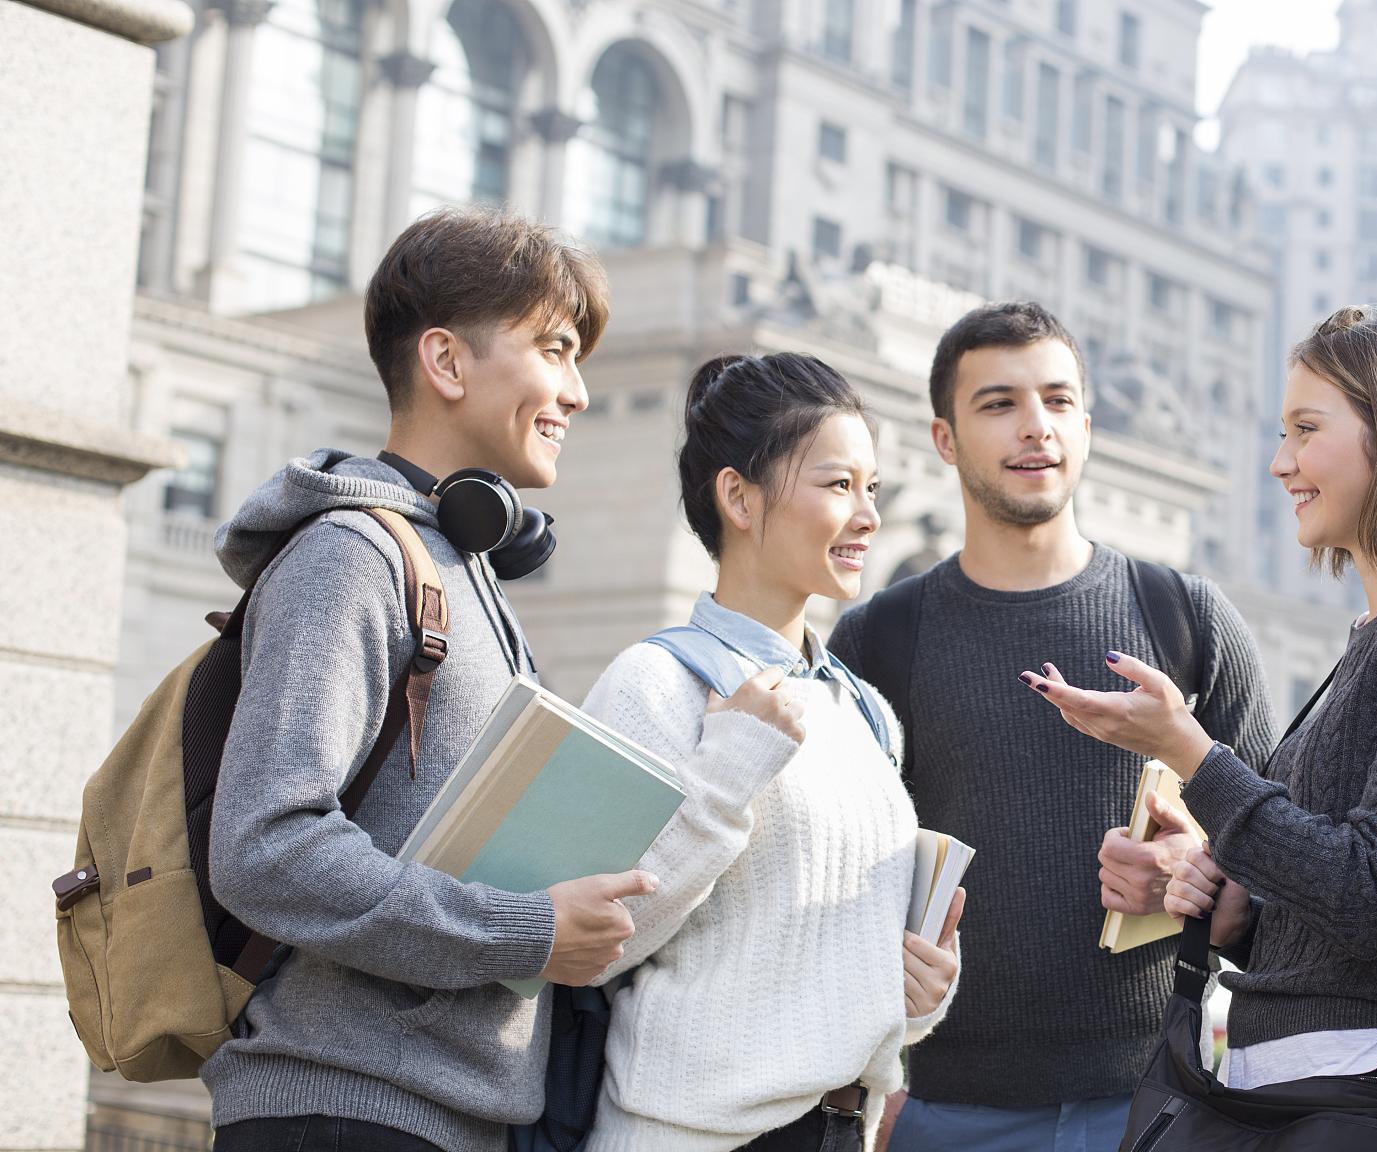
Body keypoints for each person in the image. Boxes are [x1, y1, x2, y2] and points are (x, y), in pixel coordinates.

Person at [1022, 306, 1377, 1149]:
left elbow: (1372, 896)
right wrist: (1237, 910)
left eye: (1306, 429)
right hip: (1283, 1088)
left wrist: (1189, 750)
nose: (1280, 462)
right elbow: (1340, 908)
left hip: (1368, 1091)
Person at [204, 207, 648, 1152]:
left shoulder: (465, 565)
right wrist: (523, 932)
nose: (575, 392)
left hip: (442, 1119)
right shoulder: (352, 556)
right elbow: (267, 847)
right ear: (446, 362)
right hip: (343, 1113)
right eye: (556, 350)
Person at [826, 302, 1277, 1152]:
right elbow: (840, 878)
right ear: (945, 438)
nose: (1036, 427)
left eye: (1058, 401)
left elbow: (1281, 850)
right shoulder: (881, 638)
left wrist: (1200, 872)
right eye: (998, 404)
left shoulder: (1187, 618)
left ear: (1087, 424)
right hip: (942, 1109)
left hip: (1161, 1101)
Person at [578, 352, 963, 1152]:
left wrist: (914, 997)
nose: (867, 517)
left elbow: (807, 961)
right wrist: (726, 775)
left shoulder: (862, 712)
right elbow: (594, 941)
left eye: (872, 490)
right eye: (836, 485)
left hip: (837, 1130)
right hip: (686, 1136)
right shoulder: (655, 683)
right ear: (739, 497)